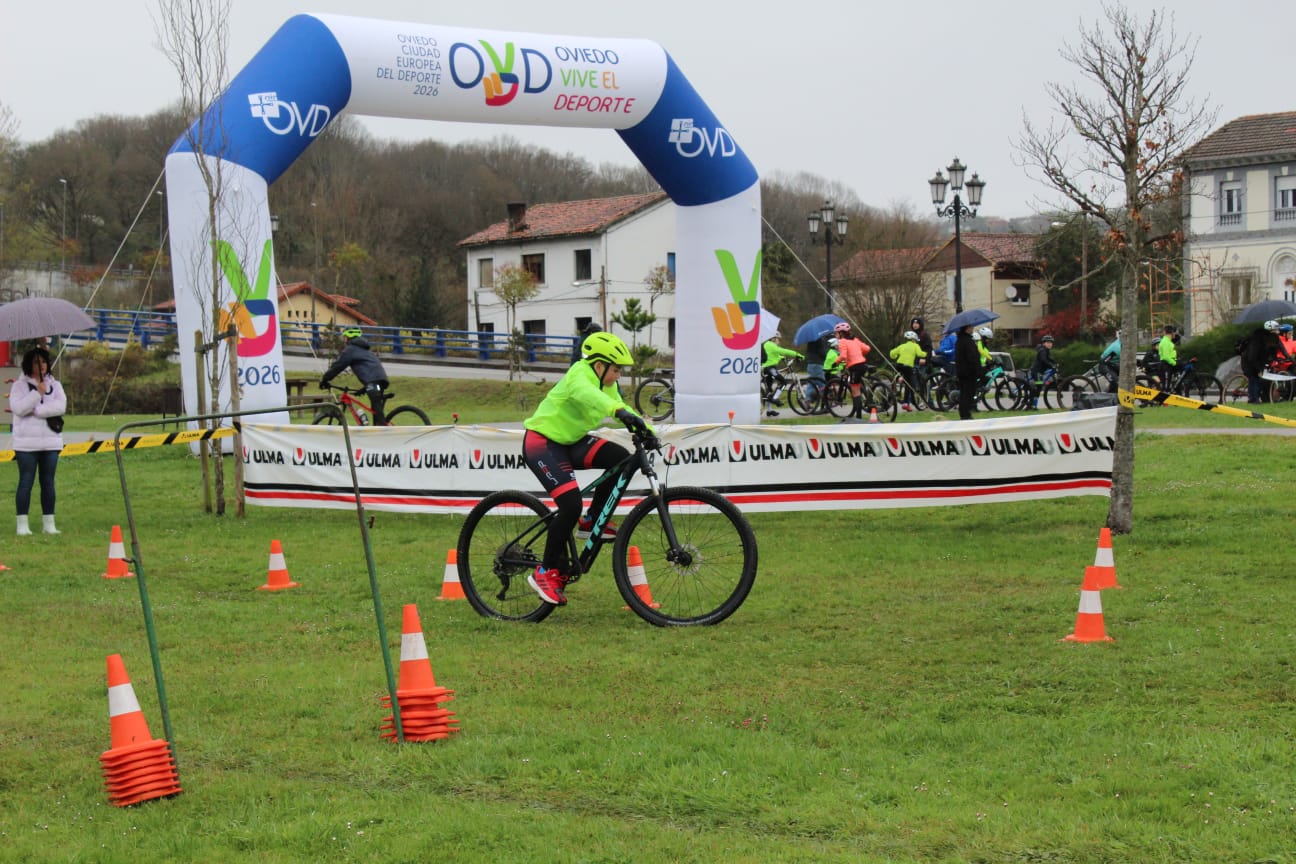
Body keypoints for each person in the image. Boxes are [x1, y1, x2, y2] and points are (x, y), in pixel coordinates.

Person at [521, 331, 654, 606]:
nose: (619, 375)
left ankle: (592, 520)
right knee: (570, 505)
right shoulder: (579, 374)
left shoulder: (607, 384)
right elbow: (593, 397)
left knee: (620, 459)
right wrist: (619, 411)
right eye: (616, 370)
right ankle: (545, 572)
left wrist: (647, 430)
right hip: (543, 442)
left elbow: (620, 405)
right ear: (599, 365)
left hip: (570, 441)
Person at [9, 346, 67, 536]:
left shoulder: (55, 385)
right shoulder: (19, 386)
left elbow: (61, 406)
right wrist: (37, 394)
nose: (41, 365)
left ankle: (49, 524)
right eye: (36, 362)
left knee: (48, 482)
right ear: (29, 364)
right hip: (26, 445)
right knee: (26, 482)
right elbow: (19, 409)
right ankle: (22, 524)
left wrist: (39, 411)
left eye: (43, 361)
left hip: (50, 442)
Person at [320, 328, 390, 424]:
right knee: (375, 409)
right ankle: (377, 429)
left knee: (377, 409)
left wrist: (325, 379)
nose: (344, 340)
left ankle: (383, 430)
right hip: (380, 380)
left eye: (345, 337)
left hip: (374, 382)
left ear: (349, 337)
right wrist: (364, 389)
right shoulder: (365, 349)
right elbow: (370, 369)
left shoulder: (351, 350)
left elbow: (338, 366)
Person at [1241, 319, 1291, 403]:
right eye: (1276, 329)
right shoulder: (1257, 340)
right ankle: (1253, 400)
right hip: (1249, 362)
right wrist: (1258, 369)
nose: (1278, 331)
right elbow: (1252, 357)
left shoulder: (1274, 338)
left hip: (1260, 361)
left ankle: (1266, 398)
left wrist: (1289, 358)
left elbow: (1282, 348)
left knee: (1266, 378)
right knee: (1254, 378)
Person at [833, 321, 871, 418]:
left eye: (836, 333)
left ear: (841, 333)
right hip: (862, 364)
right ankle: (868, 398)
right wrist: (859, 354)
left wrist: (835, 362)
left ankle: (859, 417)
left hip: (854, 367)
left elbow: (843, 356)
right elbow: (867, 349)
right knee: (858, 385)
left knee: (855, 392)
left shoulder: (842, 342)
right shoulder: (855, 340)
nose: (835, 335)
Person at [760, 334, 804, 417]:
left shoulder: (768, 345)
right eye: (778, 339)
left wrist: (781, 358)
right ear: (774, 338)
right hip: (769, 368)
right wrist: (797, 354)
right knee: (783, 382)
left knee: (769, 390)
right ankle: (775, 398)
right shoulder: (771, 344)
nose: (779, 341)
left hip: (767, 368)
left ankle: (769, 410)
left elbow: (772, 355)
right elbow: (783, 351)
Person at [888, 330, 926, 412]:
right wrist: (927, 354)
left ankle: (899, 380)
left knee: (901, 376)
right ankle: (905, 403)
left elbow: (892, 353)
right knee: (909, 385)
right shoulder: (915, 346)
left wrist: (894, 357)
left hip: (899, 365)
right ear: (913, 339)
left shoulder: (902, 346)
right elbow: (920, 354)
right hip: (908, 367)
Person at [953, 325, 980, 421]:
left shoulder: (959, 340)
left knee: (964, 393)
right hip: (969, 372)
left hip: (961, 371)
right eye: (971, 327)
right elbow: (972, 357)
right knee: (968, 394)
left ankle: (964, 413)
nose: (973, 328)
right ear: (967, 328)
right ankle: (966, 414)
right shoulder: (968, 341)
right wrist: (977, 369)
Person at [1028, 334, 1058, 409]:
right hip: (1037, 371)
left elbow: (1049, 358)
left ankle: (1033, 404)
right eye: (1048, 342)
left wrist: (1055, 363)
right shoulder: (1043, 350)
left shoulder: (1046, 350)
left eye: (1051, 343)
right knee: (1039, 386)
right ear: (1044, 343)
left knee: (1039, 387)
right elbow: (1044, 360)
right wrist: (1051, 365)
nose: (1050, 344)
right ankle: (1033, 404)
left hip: (1039, 372)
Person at [801, 334, 829, 405]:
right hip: (817, 364)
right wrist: (826, 355)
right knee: (822, 383)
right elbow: (822, 352)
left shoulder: (810, 340)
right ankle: (826, 402)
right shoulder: (819, 339)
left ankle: (807, 401)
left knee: (811, 383)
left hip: (810, 364)